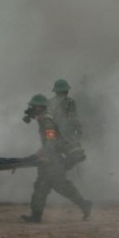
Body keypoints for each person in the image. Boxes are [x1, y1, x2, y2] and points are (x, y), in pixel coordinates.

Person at [21, 93, 92, 223]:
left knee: (62, 186)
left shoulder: (46, 120)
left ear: (40, 107)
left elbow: (51, 138)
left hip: (53, 161)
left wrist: (45, 153)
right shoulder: (42, 117)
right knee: (40, 188)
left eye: (35, 106)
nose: (33, 108)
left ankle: (84, 204)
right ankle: (36, 215)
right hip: (49, 160)